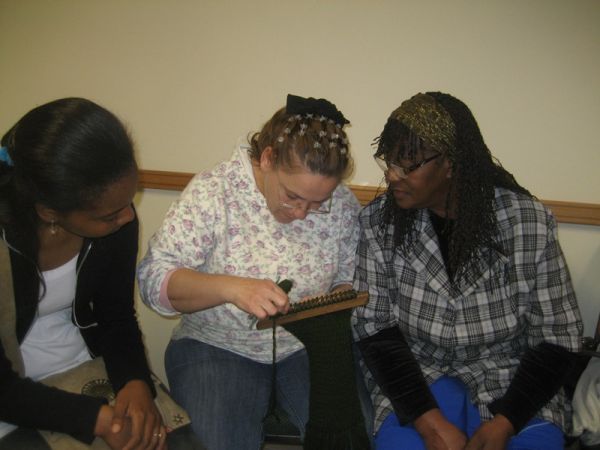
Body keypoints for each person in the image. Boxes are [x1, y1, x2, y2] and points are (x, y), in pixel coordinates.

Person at [352, 92, 583, 450]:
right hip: (415, 374)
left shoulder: (527, 222)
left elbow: (559, 334)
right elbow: (374, 329)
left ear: (450, 163)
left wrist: (507, 421)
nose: (392, 175)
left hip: (510, 375)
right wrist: (428, 422)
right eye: (389, 160)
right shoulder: (379, 223)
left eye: (408, 164)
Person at [137, 94, 361, 450]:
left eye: (318, 203)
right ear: (268, 158)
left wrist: (340, 297)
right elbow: (153, 279)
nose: (302, 213)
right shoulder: (215, 191)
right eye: (292, 196)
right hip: (216, 345)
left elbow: (347, 276)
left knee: (350, 437)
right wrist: (231, 288)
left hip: (306, 348)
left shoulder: (344, 205)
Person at [0, 97, 202, 450]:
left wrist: (135, 383)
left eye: (130, 201)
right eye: (109, 216)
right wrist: (97, 419)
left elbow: (116, 315)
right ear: (49, 212)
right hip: (11, 386)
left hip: (81, 359)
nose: (128, 218)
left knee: (177, 442)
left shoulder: (116, 219)